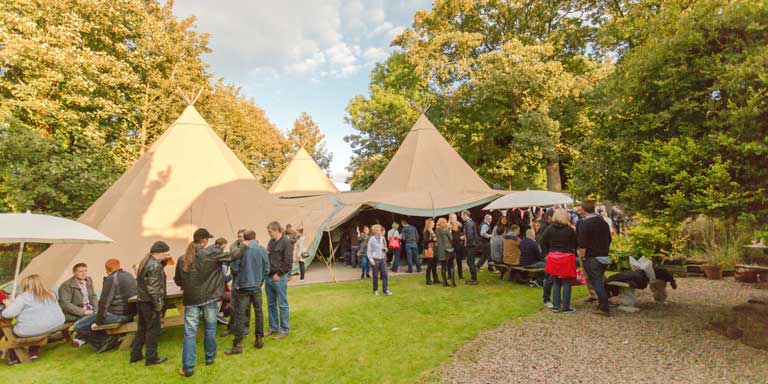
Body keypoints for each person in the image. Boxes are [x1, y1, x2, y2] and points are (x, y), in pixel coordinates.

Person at [175, 228, 246, 378]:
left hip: (192, 300)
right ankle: (209, 358)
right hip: (209, 298)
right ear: (204, 240)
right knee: (210, 328)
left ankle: (188, 368)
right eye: (207, 239)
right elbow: (233, 255)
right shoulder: (208, 254)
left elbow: (177, 280)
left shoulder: (183, 258)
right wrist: (244, 245)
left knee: (189, 334)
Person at [73, 258, 137, 352]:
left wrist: (98, 322)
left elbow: (104, 304)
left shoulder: (111, 279)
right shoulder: (128, 275)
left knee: (78, 326)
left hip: (118, 315)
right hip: (131, 313)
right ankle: (111, 338)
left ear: (107, 269)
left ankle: (104, 342)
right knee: (90, 320)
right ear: (119, 266)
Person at [1, 274, 65, 365]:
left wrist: (8, 305)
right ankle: (33, 352)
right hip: (56, 324)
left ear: (26, 285)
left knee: (13, 331)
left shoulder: (23, 297)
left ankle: (14, 358)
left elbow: (7, 314)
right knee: (34, 323)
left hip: (37, 328)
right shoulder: (50, 293)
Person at [225, 230, 270, 355]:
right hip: (255, 286)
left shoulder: (241, 249)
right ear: (255, 237)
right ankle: (259, 338)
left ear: (245, 238)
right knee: (259, 312)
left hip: (243, 287)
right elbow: (267, 268)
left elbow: (234, 269)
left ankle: (238, 345)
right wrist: (260, 282)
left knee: (240, 314)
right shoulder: (261, 249)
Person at [130, 241, 169, 365]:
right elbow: (154, 289)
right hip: (150, 302)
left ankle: (135, 355)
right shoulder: (154, 266)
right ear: (160, 252)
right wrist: (159, 306)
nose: (167, 254)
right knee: (153, 330)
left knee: (142, 329)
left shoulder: (146, 261)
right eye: (166, 252)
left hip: (141, 300)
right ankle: (151, 358)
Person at [578, 200, 613, 316]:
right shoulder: (602, 221)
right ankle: (604, 303)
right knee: (600, 281)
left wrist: (582, 258)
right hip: (604, 256)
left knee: (596, 283)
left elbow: (582, 244)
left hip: (592, 257)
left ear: (583, 210)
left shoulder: (584, 224)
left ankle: (604, 307)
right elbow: (609, 238)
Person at [540, 209, 578, 314]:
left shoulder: (550, 228)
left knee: (556, 282)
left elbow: (542, 241)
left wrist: (547, 253)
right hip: (567, 257)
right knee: (567, 282)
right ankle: (566, 307)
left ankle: (556, 306)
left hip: (553, 256)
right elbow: (576, 244)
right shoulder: (570, 230)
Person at [265, 221, 293, 340]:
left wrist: (279, 274)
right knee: (271, 304)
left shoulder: (286, 242)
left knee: (282, 304)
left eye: (270, 232)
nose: (269, 234)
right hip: (269, 277)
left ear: (277, 230)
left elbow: (288, 262)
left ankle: (284, 330)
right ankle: (273, 327)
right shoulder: (271, 242)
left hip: (279, 278)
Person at [367, 224, 392, 296]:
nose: (379, 231)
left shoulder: (383, 238)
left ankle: (385, 290)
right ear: (374, 231)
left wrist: (385, 249)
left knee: (385, 274)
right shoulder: (371, 239)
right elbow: (369, 251)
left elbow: (385, 247)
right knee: (375, 275)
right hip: (375, 259)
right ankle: (375, 290)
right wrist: (371, 259)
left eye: (380, 230)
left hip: (382, 259)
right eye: (377, 230)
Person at [461, 210, 479, 284]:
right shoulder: (470, 223)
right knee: (470, 262)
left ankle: (474, 279)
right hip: (472, 245)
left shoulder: (469, 223)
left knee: (470, 262)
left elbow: (470, 236)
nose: (461, 216)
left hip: (471, 245)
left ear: (465, 215)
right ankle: (473, 278)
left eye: (462, 215)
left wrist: (465, 239)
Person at [435, 218, 455, 287]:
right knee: (451, 265)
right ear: (444, 223)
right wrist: (450, 230)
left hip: (441, 250)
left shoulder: (437, 230)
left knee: (443, 267)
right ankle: (453, 282)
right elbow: (451, 239)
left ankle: (444, 282)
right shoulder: (446, 230)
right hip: (448, 249)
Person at [448, 213, 465, 280]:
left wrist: (462, 237)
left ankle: (460, 275)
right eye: (450, 217)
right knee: (450, 260)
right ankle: (449, 275)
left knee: (459, 260)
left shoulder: (459, 224)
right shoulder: (448, 225)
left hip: (458, 244)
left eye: (452, 217)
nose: (451, 218)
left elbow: (461, 233)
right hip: (450, 245)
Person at [422, 218, 439, 285]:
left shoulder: (432, 231)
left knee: (434, 265)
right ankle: (428, 280)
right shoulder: (427, 231)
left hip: (434, 249)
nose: (434, 223)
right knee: (430, 265)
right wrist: (433, 240)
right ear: (429, 224)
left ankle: (435, 279)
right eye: (433, 223)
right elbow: (425, 241)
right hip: (429, 249)